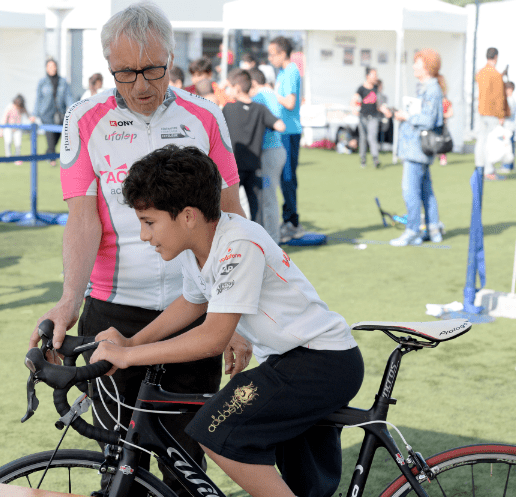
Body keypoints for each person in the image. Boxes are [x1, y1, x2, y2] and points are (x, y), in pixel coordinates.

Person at [28, 4, 249, 496]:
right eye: (125, 73)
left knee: (185, 461)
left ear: (173, 57)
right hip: (114, 311)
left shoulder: (206, 115)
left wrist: (238, 315)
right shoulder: (84, 119)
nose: (142, 85)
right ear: (108, 66)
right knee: (118, 463)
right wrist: (69, 299)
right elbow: (82, 218)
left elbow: (232, 217)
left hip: (195, 312)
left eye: (154, 70)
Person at [90, 144, 364, 497]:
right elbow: (191, 302)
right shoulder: (199, 246)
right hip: (292, 360)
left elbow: (213, 338)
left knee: (215, 431)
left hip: (320, 361)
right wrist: (131, 342)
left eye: (148, 222)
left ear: (188, 216)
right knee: (302, 485)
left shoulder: (238, 243)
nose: (144, 235)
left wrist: (128, 357)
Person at [390, 49, 445, 247]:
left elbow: (429, 119)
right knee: (425, 192)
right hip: (417, 148)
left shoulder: (431, 89)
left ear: (427, 66)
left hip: (417, 149)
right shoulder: (427, 87)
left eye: (418, 63)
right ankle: (433, 229)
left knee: (410, 191)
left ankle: (412, 230)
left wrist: (407, 117)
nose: (414, 66)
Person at [222, 68, 285, 221]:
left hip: (233, 169)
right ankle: (258, 242)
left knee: (228, 210)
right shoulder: (260, 109)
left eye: (229, 86)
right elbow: (280, 126)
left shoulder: (228, 109)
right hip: (254, 167)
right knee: (256, 210)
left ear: (237, 87)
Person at [268, 36, 307, 243]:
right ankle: (289, 219)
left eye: (272, 54)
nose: (270, 58)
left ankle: (293, 222)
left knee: (288, 178)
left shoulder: (291, 71)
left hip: (289, 132)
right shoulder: (283, 72)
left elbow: (291, 102)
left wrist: (270, 94)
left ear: (282, 53)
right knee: (284, 177)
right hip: (282, 132)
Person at [249, 67, 286, 244]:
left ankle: (272, 241)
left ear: (253, 83)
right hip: (275, 151)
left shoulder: (258, 98)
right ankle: (271, 238)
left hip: (268, 154)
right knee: (268, 198)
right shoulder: (273, 94)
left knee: (268, 199)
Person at [32, 58, 74, 167]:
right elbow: (38, 99)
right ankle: (52, 159)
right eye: (50, 66)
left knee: (58, 135)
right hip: (46, 113)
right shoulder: (42, 82)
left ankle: (48, 153)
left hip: (60, 113)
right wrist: (34, 114)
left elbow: (68, 96)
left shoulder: (63, 82)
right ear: (46, 68)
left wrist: (72, 107)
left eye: (54, 66)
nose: (52, 68)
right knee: (50, 136)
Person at [475, 47, 510, 181]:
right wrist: (501, 115)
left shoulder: (481, 73)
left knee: (481, 141)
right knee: (491, 143)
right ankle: (489, 171)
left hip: (481, 111)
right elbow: (499, 97)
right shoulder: (496, 75)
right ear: (495, 56)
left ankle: (480, 168)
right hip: (492, 113)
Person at [351, 67, 383, 169]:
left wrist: (383, 109)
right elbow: (354, 100)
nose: (376, 77)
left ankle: (375, 158)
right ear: (367, 76)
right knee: (363, 138)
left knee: (372, 137)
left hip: (373, 116)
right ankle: (363, 159)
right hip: (363, 117)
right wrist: (353, 109)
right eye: (374, 75)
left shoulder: (376, 88)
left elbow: (378, 102)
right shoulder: (361, 88)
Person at [0, 94, 28, 165]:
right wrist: (1, 130)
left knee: (18, 144)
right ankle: (8, 157)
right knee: (8, 142)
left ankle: (17, 158)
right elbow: (4, 118)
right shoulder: (10, 107)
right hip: (8, 127)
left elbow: (28, 115)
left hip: (18, 128)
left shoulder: (22, 107)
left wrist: (32, 119)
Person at [499, 81, 516, 173]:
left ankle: (506, 166)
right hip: (510, 127)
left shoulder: (509, 100)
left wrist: (501, 115)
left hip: (508, 127)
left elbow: (509, 113)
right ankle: (510, 166)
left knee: (507, 147)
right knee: (510, 147)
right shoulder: (510, 99)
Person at [439, 83, 454, 166]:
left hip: (443, 124)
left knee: (442, 140)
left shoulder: (447, 102)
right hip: (434, 124)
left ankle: (443, 157)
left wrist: (441, 116)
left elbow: (450, 113)